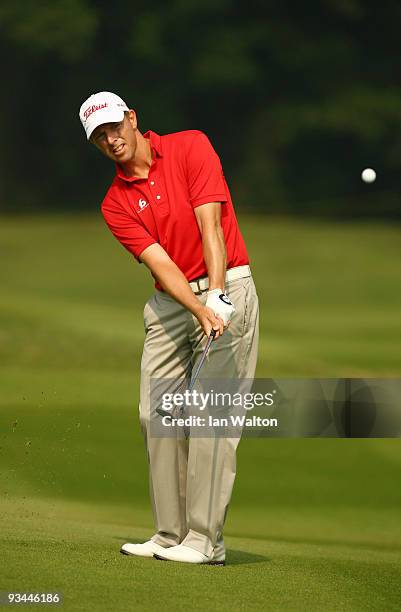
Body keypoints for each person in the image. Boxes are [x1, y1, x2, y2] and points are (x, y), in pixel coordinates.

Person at [79, 91, 259, 565]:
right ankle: (169, 534)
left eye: (115, 126)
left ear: (132, 119)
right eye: (99, 135)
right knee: (154, 413)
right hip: (171, 301)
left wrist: (216, 297)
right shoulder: (115, 203)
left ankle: (204, 541)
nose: (111, 138)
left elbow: (211, 226)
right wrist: (198, 310)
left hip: (228, 287)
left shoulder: (189, 147)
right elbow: (160, 263)